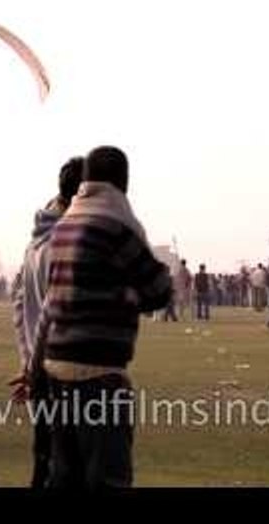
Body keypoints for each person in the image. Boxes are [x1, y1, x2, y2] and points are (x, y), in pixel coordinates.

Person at [27, 146, 172, 488]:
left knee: (66, 476)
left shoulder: (63, 228)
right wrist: (125, 296)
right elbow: (158, 290)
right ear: (123, 181)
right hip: (99, 373)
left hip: (56, 370)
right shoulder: (117, 226)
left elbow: (50, 306)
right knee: (108, 477)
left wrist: (34, 369)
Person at [9, 155, 84, 488]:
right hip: (65, 371)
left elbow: (20, 305)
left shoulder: (35, 243)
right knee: (67, 464)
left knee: (45, 456)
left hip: (40, 369)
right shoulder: (67, 244)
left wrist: (28, 362)